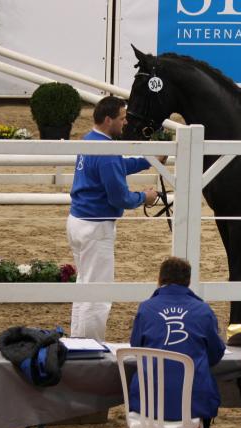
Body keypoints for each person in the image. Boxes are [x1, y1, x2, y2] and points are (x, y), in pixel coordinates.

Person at [67, 95, 161, 341]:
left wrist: (147, 161)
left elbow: (116, 166)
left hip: (79, 221)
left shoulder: (91, 140)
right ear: (109, 119)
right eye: (122, 118)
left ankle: (79, 341)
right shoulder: (106, 150)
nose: (126, 122)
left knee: (85, 284)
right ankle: (89, 346)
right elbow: (119, 197)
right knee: (98, 293)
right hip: (96, 226)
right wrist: (145, 197)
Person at [129, 256, 226, 428]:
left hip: (150, 400)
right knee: (199, 397)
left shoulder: (146, 309)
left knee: (162, 396)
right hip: (192, 400)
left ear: (160, 279)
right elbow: (216, 353)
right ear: (188, 281)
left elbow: (136, 348)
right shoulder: (202, 310)